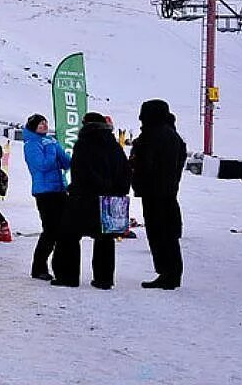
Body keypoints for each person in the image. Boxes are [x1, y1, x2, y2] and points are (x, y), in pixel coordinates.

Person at [50, 113, 130, 289]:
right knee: (105, 239)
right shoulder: (115, 146)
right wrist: (117, 192)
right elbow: (125, 172)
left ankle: (67, 277)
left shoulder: (83, 144)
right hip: (110, 200)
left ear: (85, 124)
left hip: (83, 199)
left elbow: (80, 172)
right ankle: (104, 280)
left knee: (68, 237)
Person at [131, 99, 187, 290]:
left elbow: (144, 165)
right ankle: (172, 273)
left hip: (154, 192)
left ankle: (166, 273)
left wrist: (136, 179)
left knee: (158, 233)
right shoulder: (174, 136)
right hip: (169, 191)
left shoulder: (151, 136)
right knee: (169, 235)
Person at [23, 113, 71, 280]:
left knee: (63, 229)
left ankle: (59, 267)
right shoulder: (31, 144)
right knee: (50, 230)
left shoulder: (51, 140)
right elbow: (42, 165)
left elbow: (66, 163)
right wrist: (52, 151)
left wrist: (62, 156)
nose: (43, 125)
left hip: (59, 188)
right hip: (44, 192)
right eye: (40, 123)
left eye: (45, 122)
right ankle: (38, 267)